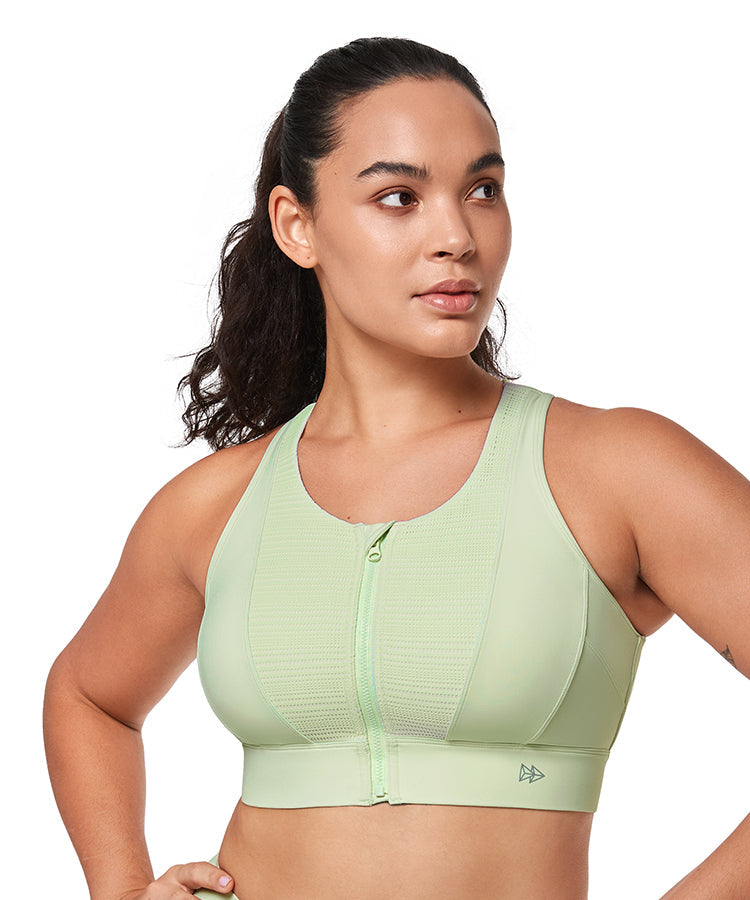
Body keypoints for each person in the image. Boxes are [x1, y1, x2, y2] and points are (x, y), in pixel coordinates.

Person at [42, 36, 750, 900]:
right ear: (298, 226)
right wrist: (120, 888)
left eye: (482, 190)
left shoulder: (615, 470)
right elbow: (88, 697)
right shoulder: (215, 505)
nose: (456, 236)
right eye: (398, 198)